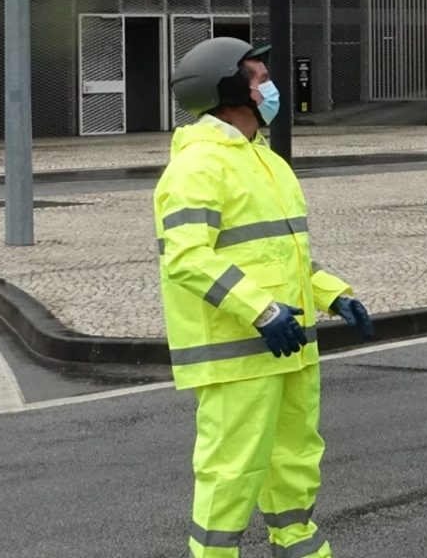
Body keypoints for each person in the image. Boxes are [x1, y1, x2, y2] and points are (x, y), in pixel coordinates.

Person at [156, 37, 375, 558]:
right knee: (230, 471)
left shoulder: (265, 161)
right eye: (258, 77)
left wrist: (332, 295)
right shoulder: (197, 166)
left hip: (289, 346)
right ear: (229, 89)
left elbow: (279, 256)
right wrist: (262, 309)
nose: (269, 86)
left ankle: (297, 545)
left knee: (295, 462)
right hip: (237, 355)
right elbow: (186, 257)